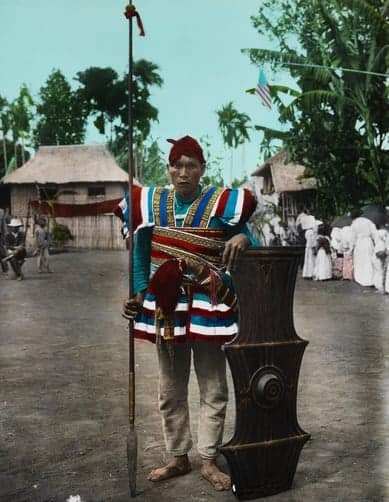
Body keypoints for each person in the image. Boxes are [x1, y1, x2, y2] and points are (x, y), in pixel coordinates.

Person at [118, 135, 258, 492]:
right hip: (166, 307)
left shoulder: (221, 203)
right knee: (170, 388)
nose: (183, 173)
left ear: (202, 169)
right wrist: (136, 293)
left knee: (213, 386)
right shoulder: (149, 202)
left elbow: (249, 240)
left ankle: (208, 458)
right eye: (177, 165)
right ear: (168, 168)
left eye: (190, 165)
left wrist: (243, 239)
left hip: (208, 306)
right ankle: (178, 457)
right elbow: (140, 252)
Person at [351, 215, 377, 287]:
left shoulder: (354, 224)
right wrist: (376, 243)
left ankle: (361, 278)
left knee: (360, 261)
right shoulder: (368, 221)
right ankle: (370, 279)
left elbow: (352, 237)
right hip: (368, 242)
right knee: (369, 260)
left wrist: (351, 247)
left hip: (359, 243)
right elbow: (374, 233)